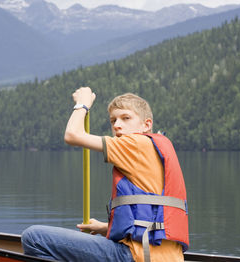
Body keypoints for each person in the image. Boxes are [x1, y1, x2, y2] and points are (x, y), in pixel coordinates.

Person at [21, 87, 189, 262]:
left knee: (34, 238)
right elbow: (153, 217)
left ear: (146, 125)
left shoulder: (135, 143)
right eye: (113, 120)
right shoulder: (155, 148)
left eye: (126, 118)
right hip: (166, 257)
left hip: (137, 256)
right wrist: (105, 228)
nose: (117, 125)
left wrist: (82, 104)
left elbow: (72, 135)